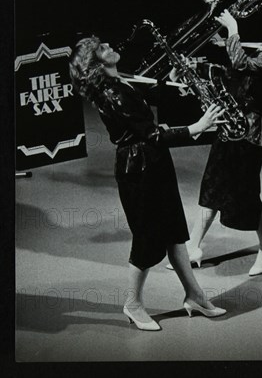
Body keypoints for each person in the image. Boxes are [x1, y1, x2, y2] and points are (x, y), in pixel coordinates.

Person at [69, 36, 227, 331]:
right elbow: (152, 134)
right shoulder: (113, 92)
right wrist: (197, 127)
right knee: (147, 242)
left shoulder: (119, 82)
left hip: (152, 163)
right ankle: (133, 304)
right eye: (103, 48)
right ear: (96, 63)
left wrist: (170, 79)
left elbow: (149, 101)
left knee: (174, 233)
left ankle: (195, 296)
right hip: (138, 171)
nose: (110, 47)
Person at [170, 11, 262, 276]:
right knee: (213, 183)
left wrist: (233, 29)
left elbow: (240, 64)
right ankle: (193, 246)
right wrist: (195, 68)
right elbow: (233, 72)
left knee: (248, 196)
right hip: (231, 122)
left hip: (250, 132)